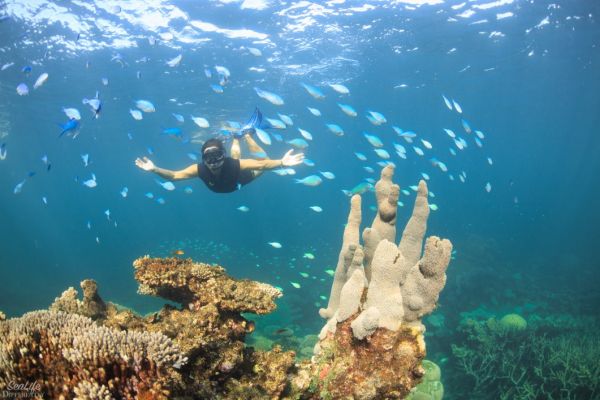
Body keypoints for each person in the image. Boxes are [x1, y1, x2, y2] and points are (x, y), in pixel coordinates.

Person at [135, 108, 304, 193]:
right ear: (203, 158)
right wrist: (154, 169)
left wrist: (282, 163)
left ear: (223, 155)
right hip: (229, 180)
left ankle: (247, 136)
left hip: (242, 178)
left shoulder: (235, 164)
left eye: (218, 156)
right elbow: (173, 176)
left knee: (259, 160)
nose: (214, 162)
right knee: (236, 157)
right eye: (209, 158)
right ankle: (238, 136)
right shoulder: (198, 169)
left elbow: (264, 164)